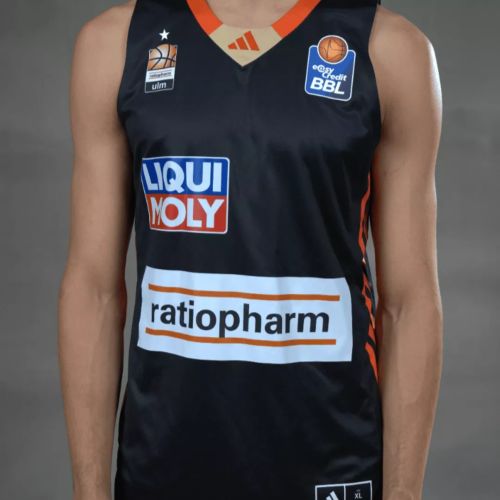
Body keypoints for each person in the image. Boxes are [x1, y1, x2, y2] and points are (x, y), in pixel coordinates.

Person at [58, 0, 443, 499]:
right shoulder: (116, 44)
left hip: (333, 466)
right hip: (160, 470)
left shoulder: (388, 49)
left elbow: (408, 304)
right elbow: (93, 291)